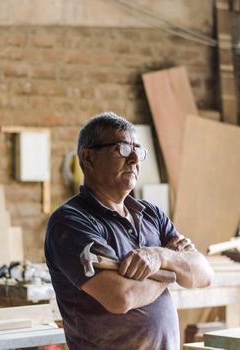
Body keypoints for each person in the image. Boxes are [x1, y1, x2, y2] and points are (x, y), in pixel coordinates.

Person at [45, 112, 214, 350]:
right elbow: (121, 298)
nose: (135, 158)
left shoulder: (150, 214)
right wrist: (171, 273)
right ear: (88, 157)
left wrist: (161, 257)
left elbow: (204, 275)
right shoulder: (71, 222)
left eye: (138, 149)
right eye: (122, 148)